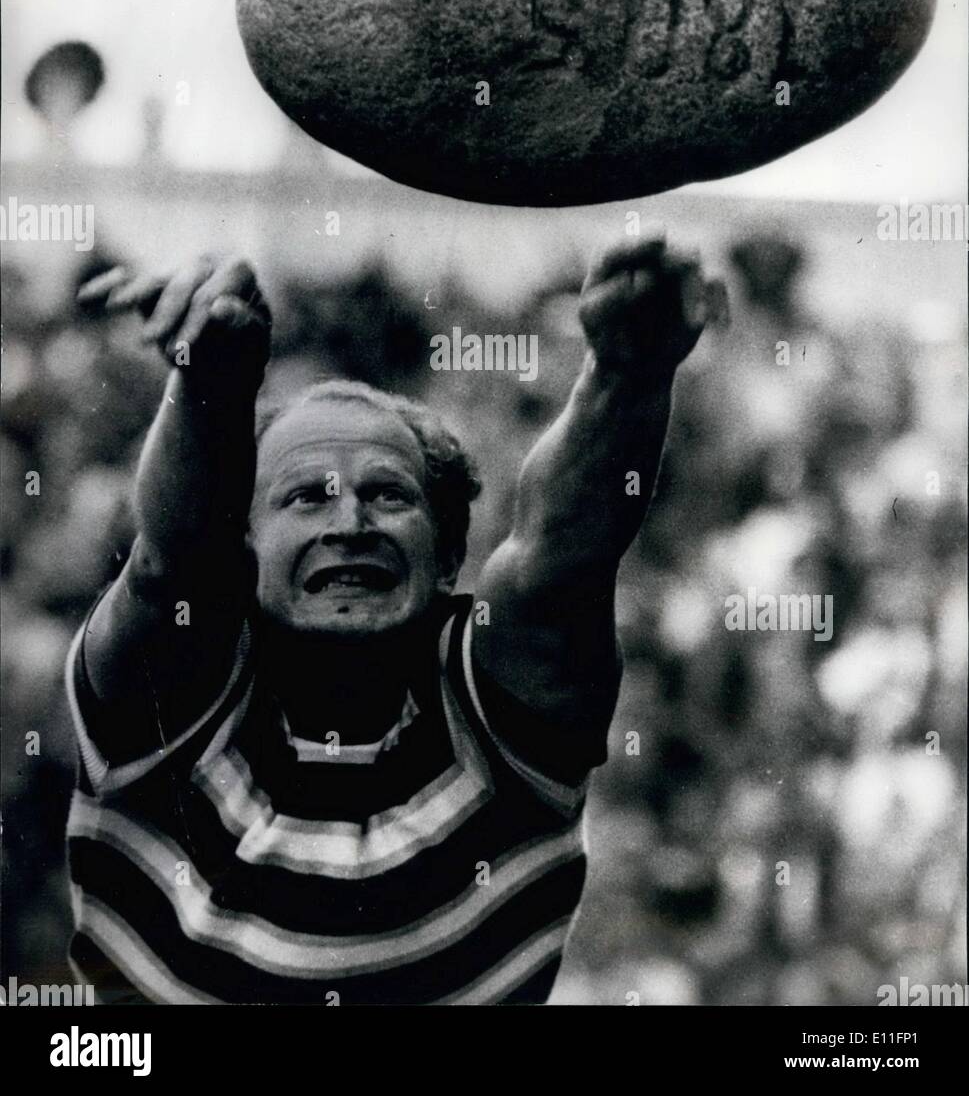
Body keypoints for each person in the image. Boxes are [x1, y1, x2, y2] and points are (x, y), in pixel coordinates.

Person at [65, 236, 721, 1005]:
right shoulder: (169, 701)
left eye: (388, 495)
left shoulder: (495, 710)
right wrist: (210, 382)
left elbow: (562, 558)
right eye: (306, 496)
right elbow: (175, 556)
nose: (349, 521)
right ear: (243, 549)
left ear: (447, 560)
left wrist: (628, 374)